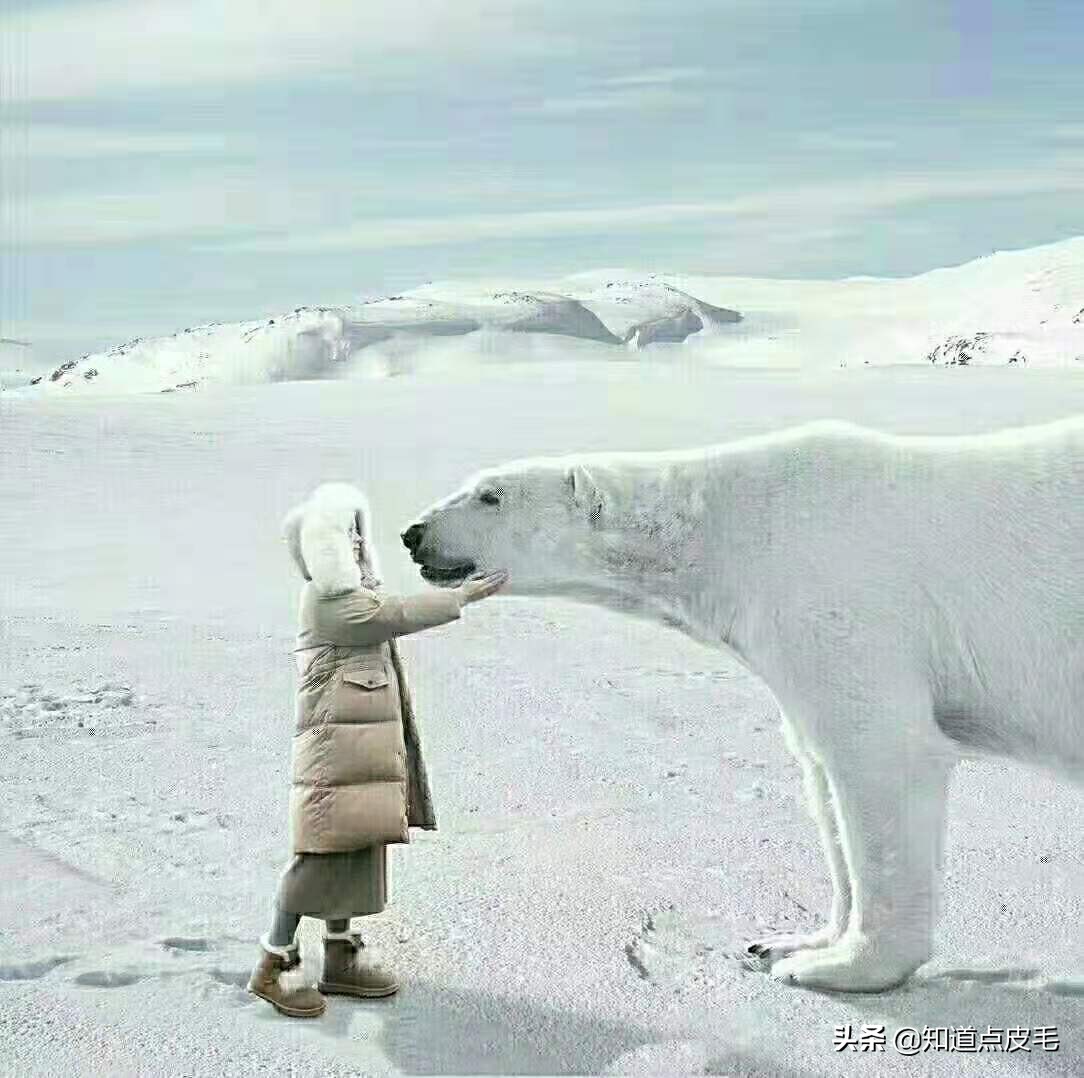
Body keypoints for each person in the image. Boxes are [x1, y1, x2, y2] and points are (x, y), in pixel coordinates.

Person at [247, 482, 507, 1018]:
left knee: (359, 846)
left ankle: (340, 956)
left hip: (359, 752)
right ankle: (273, 963)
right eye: (351, 542)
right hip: (336, 756)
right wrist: (462, 596)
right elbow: (393, 614)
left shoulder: (351, 598)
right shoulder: (328, 601)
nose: (362, 550)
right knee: (319, 856)